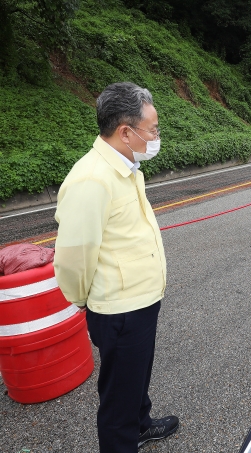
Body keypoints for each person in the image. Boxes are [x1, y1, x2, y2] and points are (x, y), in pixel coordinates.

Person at [53, 82, 179, 452]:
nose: (156, 136)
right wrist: (82, 300)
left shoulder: (125, 167)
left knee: (135, 380)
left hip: (140, 302)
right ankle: (124, 436)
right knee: (117, 401)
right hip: (120, 310)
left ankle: (141, 423)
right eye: (153, 129)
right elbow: (73, 257)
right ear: (126, 132)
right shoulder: (92, 179)